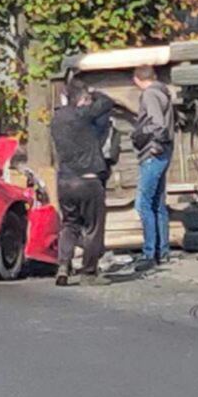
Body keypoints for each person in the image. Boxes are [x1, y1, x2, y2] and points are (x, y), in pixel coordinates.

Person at [50, 79, 115, 286]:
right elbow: (106, 102)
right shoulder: (83, 116)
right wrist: (94, 92)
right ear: (81, 101)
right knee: (93, 228)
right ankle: (88, 272)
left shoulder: (56, 119)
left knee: (69, 224)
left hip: (65, 181)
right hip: (88, 180)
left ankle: (63, 265)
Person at [132, 64, 174, 268]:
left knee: (143, 203)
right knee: (158, 203)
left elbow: (158, 124)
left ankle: (149, 252)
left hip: (153, 152)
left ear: (137, 79)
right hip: (164, 152)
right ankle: (162, 250)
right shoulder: (163, 92)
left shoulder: (149, 95)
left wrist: (141, 134)